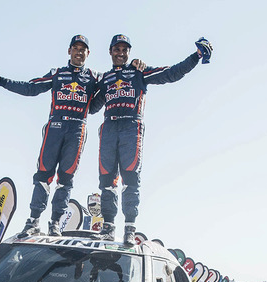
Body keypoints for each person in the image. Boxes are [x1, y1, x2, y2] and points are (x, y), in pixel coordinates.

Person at [90, 34, 212, 245]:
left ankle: (130, 227)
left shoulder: (139, 72)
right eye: (116, 49)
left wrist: (195, 56)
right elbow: (91, 107)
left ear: (129, 53)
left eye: (124, 50)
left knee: (130, 179)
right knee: (106, 180)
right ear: (110, 52)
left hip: (131, 126)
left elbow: (171, 73)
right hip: (109, 127)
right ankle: (108, 226)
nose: (120, 53)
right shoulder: (105, 78)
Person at [0, 35, 101, 237]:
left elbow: (115, 84)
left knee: (66, 178)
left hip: (77, 129)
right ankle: (33, 220)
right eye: (75, 48)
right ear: (69, 51)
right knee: (43, 174)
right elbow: (31, 88)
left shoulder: (95, 76)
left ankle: (56, 222)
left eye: (83, 49)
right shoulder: (57, 73)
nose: (79, 52)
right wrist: (1, 81)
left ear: (88, 53)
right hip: (55, 125)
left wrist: (135, 66)